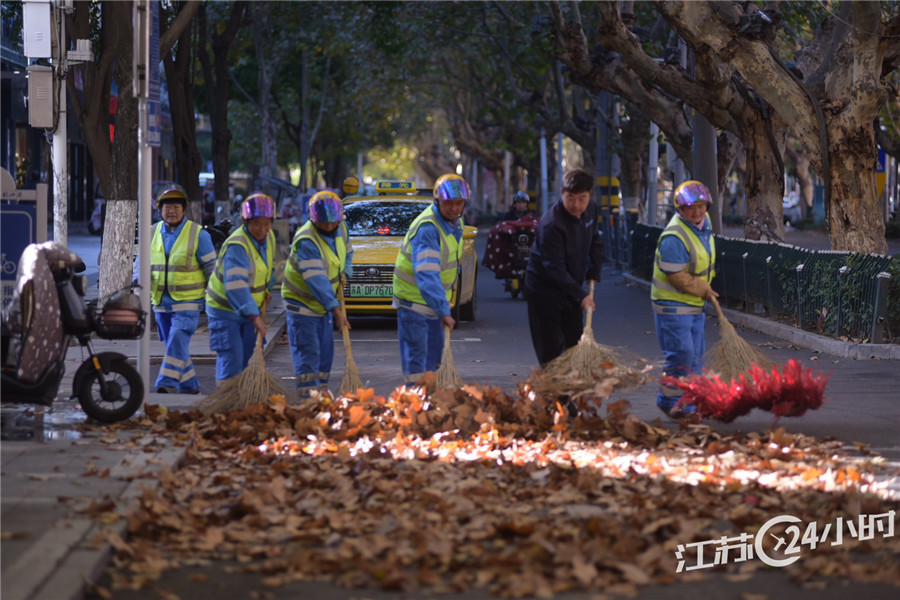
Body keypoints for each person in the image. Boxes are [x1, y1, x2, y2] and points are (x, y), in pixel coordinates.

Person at [134, 184, 217, 394]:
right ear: (159, 209)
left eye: (176, 206)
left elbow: (212, 269)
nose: (171, 211)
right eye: (167, 206)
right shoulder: (150, 232)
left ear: (184, 209)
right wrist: (137, 282)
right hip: (160, 303)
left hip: (188, 303)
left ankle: (167, 381)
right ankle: (190, 385)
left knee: (178, 336)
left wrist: (216, 298)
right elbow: (140, 263)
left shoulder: (198, 234)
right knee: (174, 345)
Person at [650, 180, 718, 417]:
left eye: (702, 206)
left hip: (694, 305)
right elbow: (676, 276)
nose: (698, 211)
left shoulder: (703, 226)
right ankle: (669, 401)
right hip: (673, 306)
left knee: (695, 358)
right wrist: (703, 289)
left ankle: (688, 401)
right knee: (682, 355)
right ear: (680, 209)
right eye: (691, 207)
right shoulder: (674, 236)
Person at [393, 173, 469, 383]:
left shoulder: (455, 223)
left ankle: (430, 407)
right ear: (437, 201)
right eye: (449, 203)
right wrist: (444, 310)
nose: (454, 208)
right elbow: (427, 274)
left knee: (432, 365)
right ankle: (415, 407)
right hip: (415, 306)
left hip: (433, 306)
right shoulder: (428, 228)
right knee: (418, 368)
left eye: (459, 203)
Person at [524, 168, 604, 366]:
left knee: (573, 346)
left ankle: (569, 395)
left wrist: (594, 271)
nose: (576, 205)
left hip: (571, 288)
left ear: (590, 195)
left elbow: (595, 240)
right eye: (570, 198)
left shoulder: (591, 210)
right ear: (562, 193)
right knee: (551, 353)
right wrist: (582, 295)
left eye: (582, 198)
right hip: (544, 291)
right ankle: (553, 395)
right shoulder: (551, 224)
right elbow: (554, 269)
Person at [281, 191, 353, 398]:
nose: (329, 226)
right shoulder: (306, 240)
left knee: (324, 356)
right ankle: (308, 403)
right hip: (302, 305)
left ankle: (320, 396)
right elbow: (317, 281)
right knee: (308, 355)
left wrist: (346, 271)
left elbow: (348, 252)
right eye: (324, 222)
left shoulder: (342, 229)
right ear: (314, 219)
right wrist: (337, 311)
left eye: (333, 222)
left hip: (323, 306)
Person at [205, 192, 277, 383]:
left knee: (250, 359)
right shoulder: (237, 245)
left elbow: (268, 267)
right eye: (256, 224)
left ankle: (245, 406)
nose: (262, 229)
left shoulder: (269, 239)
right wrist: (255, 317)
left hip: (249, 308)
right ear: (245, 222)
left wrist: (267, 290)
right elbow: (236, 285)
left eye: (267, 223)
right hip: (225, 311)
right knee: (232, 362)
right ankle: (227, 407)